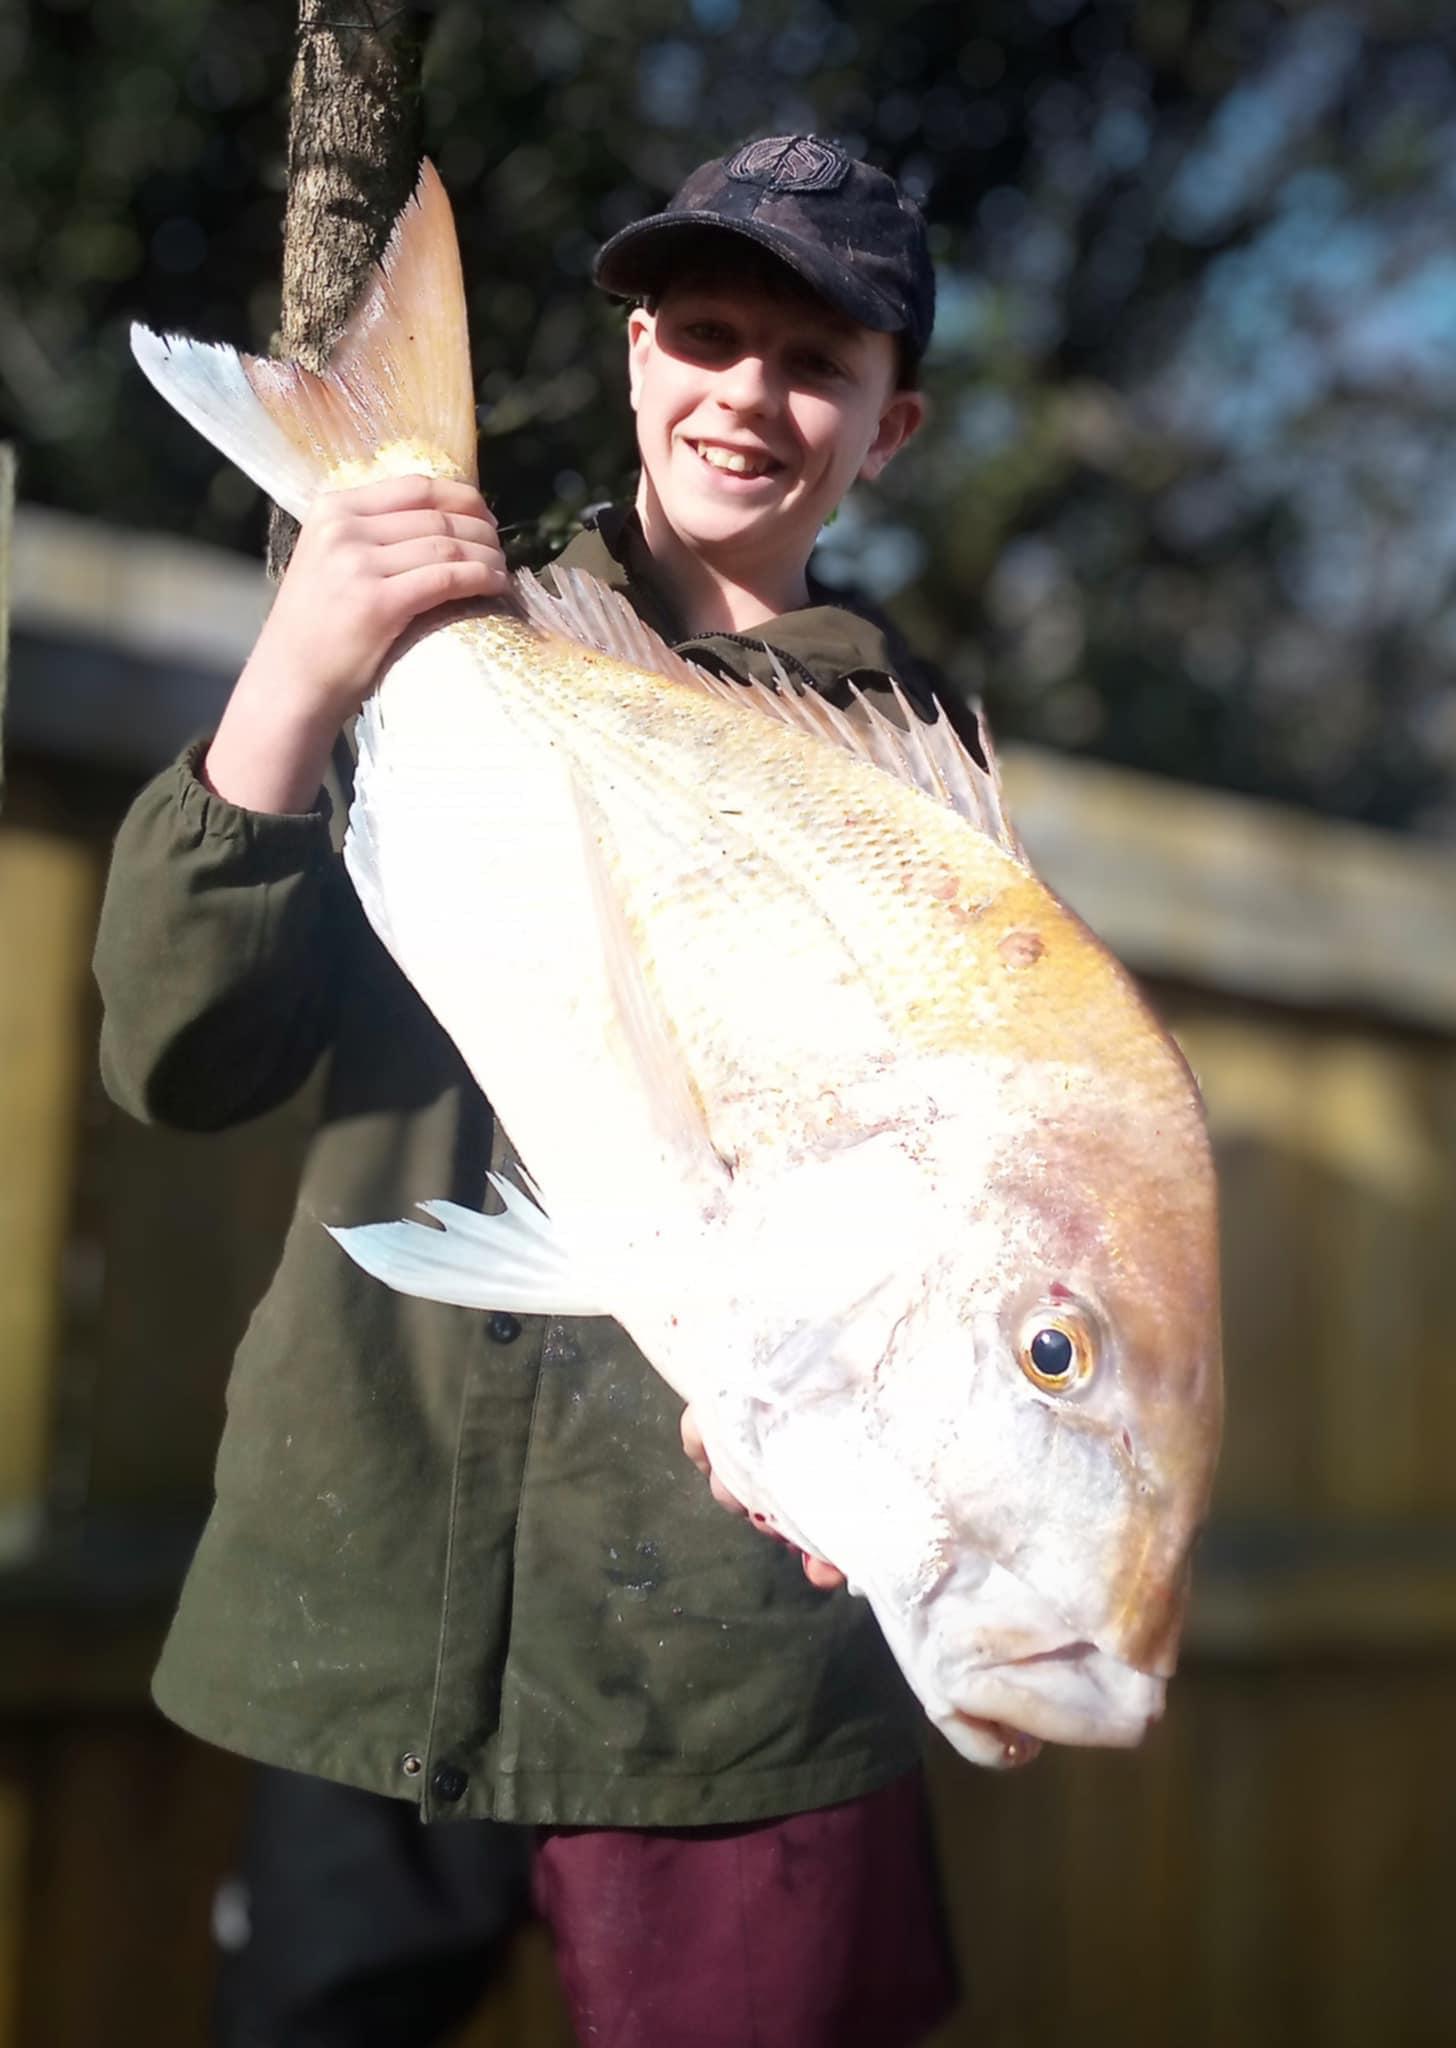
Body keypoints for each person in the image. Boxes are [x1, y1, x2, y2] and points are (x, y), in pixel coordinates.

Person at [95, 134, 961, 2048]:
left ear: (891, 424)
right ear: (640, 352)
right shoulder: (414, 642)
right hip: (363, 1609)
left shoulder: (919, 785)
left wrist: (845, 1417)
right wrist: (293, 680)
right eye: (706, 333)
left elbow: (922, 1210)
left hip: (733, 1687)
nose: (748, 395)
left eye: (816, 361)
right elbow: (181, 1059)